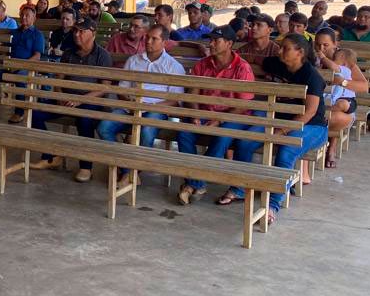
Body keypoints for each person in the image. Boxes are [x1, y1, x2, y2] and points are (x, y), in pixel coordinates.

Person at [223, 34, 329, 224]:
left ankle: (273, 203)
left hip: (311, 126)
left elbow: (310, 112)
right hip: (277, 120)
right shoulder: (277, 64)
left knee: (286, 151)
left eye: (285, 48)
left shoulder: (312, 77)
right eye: (280, 47)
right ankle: (239, 188)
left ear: (300, 53)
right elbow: (255, 58)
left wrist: (281, 132)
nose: (280, 51)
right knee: (245, 141)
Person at [175, 25, 256, 205]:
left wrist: (219, 120)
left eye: (215, 40)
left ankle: (194, 183)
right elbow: (192, 93)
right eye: (210, 40)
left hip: (232, 116)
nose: (210, 44)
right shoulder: (202, 64)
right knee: (184, 132)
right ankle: (197, 183)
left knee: (222, 136)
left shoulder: (242, 68)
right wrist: (195, 114)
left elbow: (244, 104)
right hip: (204, 112)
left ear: (229, 44)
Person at [99, 24, 185, 187]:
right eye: (147, 37)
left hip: (156, 110)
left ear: (165, 42)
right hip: (130, 107)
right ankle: (126, 169)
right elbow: (122, 88)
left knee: (146, 132)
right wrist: (130, 101)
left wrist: (153, 107)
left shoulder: (173, 66)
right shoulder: (133, 60)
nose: (148, 41)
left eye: (154, 39)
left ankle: (131, 173)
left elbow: (174, 99)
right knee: (104, 127)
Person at [29, 18, 113, 181]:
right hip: (65, 98)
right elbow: (59, 79)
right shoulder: (69, 53)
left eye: (82, 31)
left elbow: (104, 87)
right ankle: (50, 155)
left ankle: (86, 167)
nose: (77, 34)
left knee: (84, 121)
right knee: (34, 113)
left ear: (93, 33)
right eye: (75, 30)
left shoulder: (102, 55)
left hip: (90, 101)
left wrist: (80, 100)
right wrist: (61, 95)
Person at [314, 28, 368, 167]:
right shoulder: (311, 58)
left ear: (335, 44)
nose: (321, 49)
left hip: (340, 104)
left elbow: (364, 87)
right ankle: (317, 145)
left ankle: (331, 148)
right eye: (318, 45)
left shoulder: (343, 61)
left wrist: (343, 82)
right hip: (319, 101)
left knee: (334, 114)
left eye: (325, 45)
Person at [6, 5, 46, 124]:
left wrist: (21, 65)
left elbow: (37, 56)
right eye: (22, 15)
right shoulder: (14, 32)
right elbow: (5, 49)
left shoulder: (37, 34)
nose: (24, 17)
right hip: (10, 64)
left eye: (27, 15)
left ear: (34, 18)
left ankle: (19, 112)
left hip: (27, 66)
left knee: (21, 78)